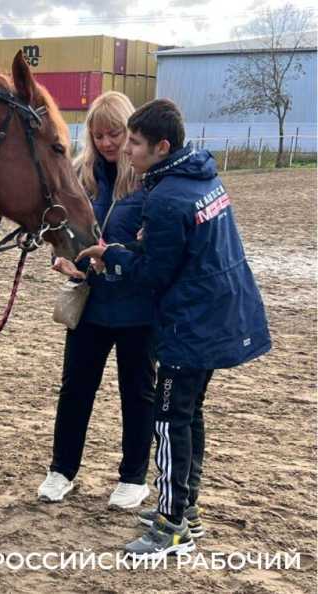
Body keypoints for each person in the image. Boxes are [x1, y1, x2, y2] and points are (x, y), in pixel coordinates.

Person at [77, 98, 271, 559]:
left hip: (193, 325)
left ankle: (170, 526)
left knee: (167, 421)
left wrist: (112, 255)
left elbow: (152, 275)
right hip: (219, 314)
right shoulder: (201, 180)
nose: (126, 150)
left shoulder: (165, 198)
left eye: (136, 143)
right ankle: (187, 508)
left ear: (162, 147)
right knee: (189, 415)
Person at [36, 91, 156, 510]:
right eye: (98, 134)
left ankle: (133, 477)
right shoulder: (78, 175)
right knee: (75, 389)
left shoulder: (148, 180)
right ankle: (62, 470)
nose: (107, 142)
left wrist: (121, 256)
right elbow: (62, 231)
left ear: (131, 132)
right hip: (91, 303)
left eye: (115, 133)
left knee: (137, 392)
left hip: (139, 305)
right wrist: (62, 259)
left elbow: (158, 245)